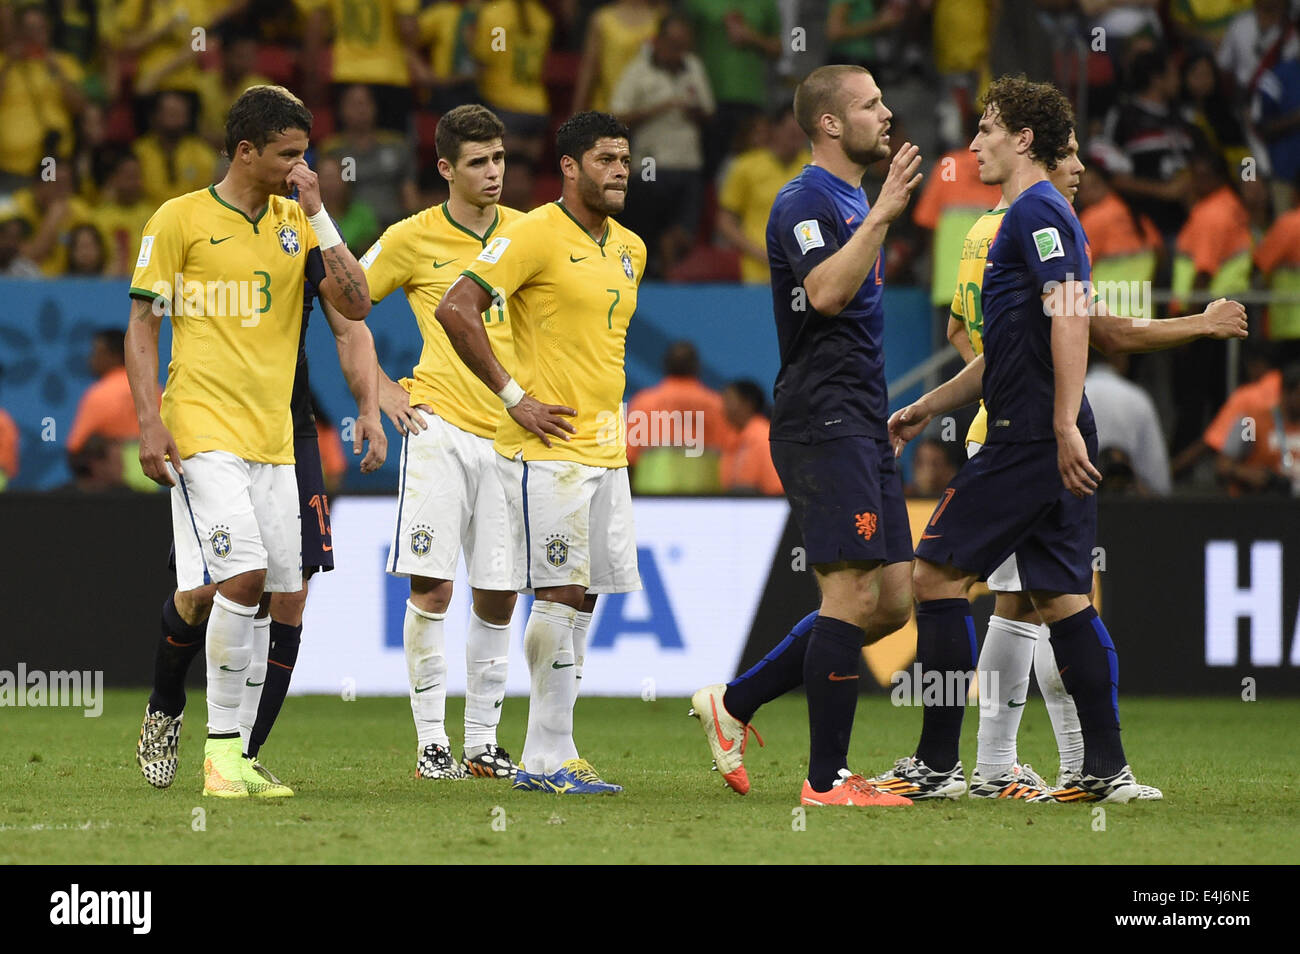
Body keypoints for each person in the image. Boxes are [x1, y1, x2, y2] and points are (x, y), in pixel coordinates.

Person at [885, 77, 1211, 804]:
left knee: (934, 576)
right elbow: (1009, 347)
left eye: (988, 129)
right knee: (1061, 595)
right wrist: (929, 404)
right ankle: (1107, 771)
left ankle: (939, 766)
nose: (973, 145)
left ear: (1023, 138)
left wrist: (1062, 423)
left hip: (1028, 435)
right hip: (1040, 425)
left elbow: (1072, 320)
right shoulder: (1035, 216)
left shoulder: (1038, 212)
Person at [126, 85, 379, 799]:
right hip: (203, 429)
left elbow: (358, 303)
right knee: (238, 576)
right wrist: (150, 420)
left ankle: (210, 735)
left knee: (260, 594)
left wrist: (321, 213)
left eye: (307, 155)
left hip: (275, 437)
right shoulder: (179, 220)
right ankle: (216, 751)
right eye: (289, 155)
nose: (304, 168)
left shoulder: (298, 223)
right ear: (245, 152)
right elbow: (143, 326)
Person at [690, 64, 923, 807]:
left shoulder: (853, 196)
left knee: (891, 601)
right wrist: (884, 214)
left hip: (856, 416)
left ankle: (735, 702)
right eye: (870, 104)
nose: (886, 114)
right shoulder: (805, 199)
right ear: (829, 124)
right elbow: (823, 293)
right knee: (850, 591)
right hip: (820, 418)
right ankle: (827, 781)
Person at [435, 111, 646, 795]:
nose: (620, 169)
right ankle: (547, 759)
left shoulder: (631, 248)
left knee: (583, 598)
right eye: (606, 159)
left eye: (625, 158)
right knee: (556, 591)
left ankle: (551, 748)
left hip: (605, 452)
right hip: (545, 450)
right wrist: (513, 396)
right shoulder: (531, 234)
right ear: (570, 166)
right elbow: (456, 309)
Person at [363, 104, 526, 781]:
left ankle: (482, 743)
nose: (493, 174)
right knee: (434, 590)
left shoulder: (530, 233)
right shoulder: (409, 238)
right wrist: (380, 390)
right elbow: (341, 305)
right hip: (440, 429)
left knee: (498, 595)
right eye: (478, 163)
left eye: (499, 160)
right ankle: (432, 743)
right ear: (445, 169)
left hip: (514, 437)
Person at [625, 340, 728, 493]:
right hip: (705, 494)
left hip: (653, 493)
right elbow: (729, 453)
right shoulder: (717, 405)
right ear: (697, 366)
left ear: (665, 365)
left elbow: (629, 458)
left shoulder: (644, 402)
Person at [1216, 360, 1300, 495]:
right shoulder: (1252, 422)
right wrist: (1246, 473)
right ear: (1286, 392)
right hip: (1258, 503)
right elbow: (1223, 466)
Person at [719, 378, 781, 495]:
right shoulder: (732, 439)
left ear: (748, 403)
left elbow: (776, 489)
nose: (723, 407)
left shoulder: (763, 437)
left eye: (729, 400)